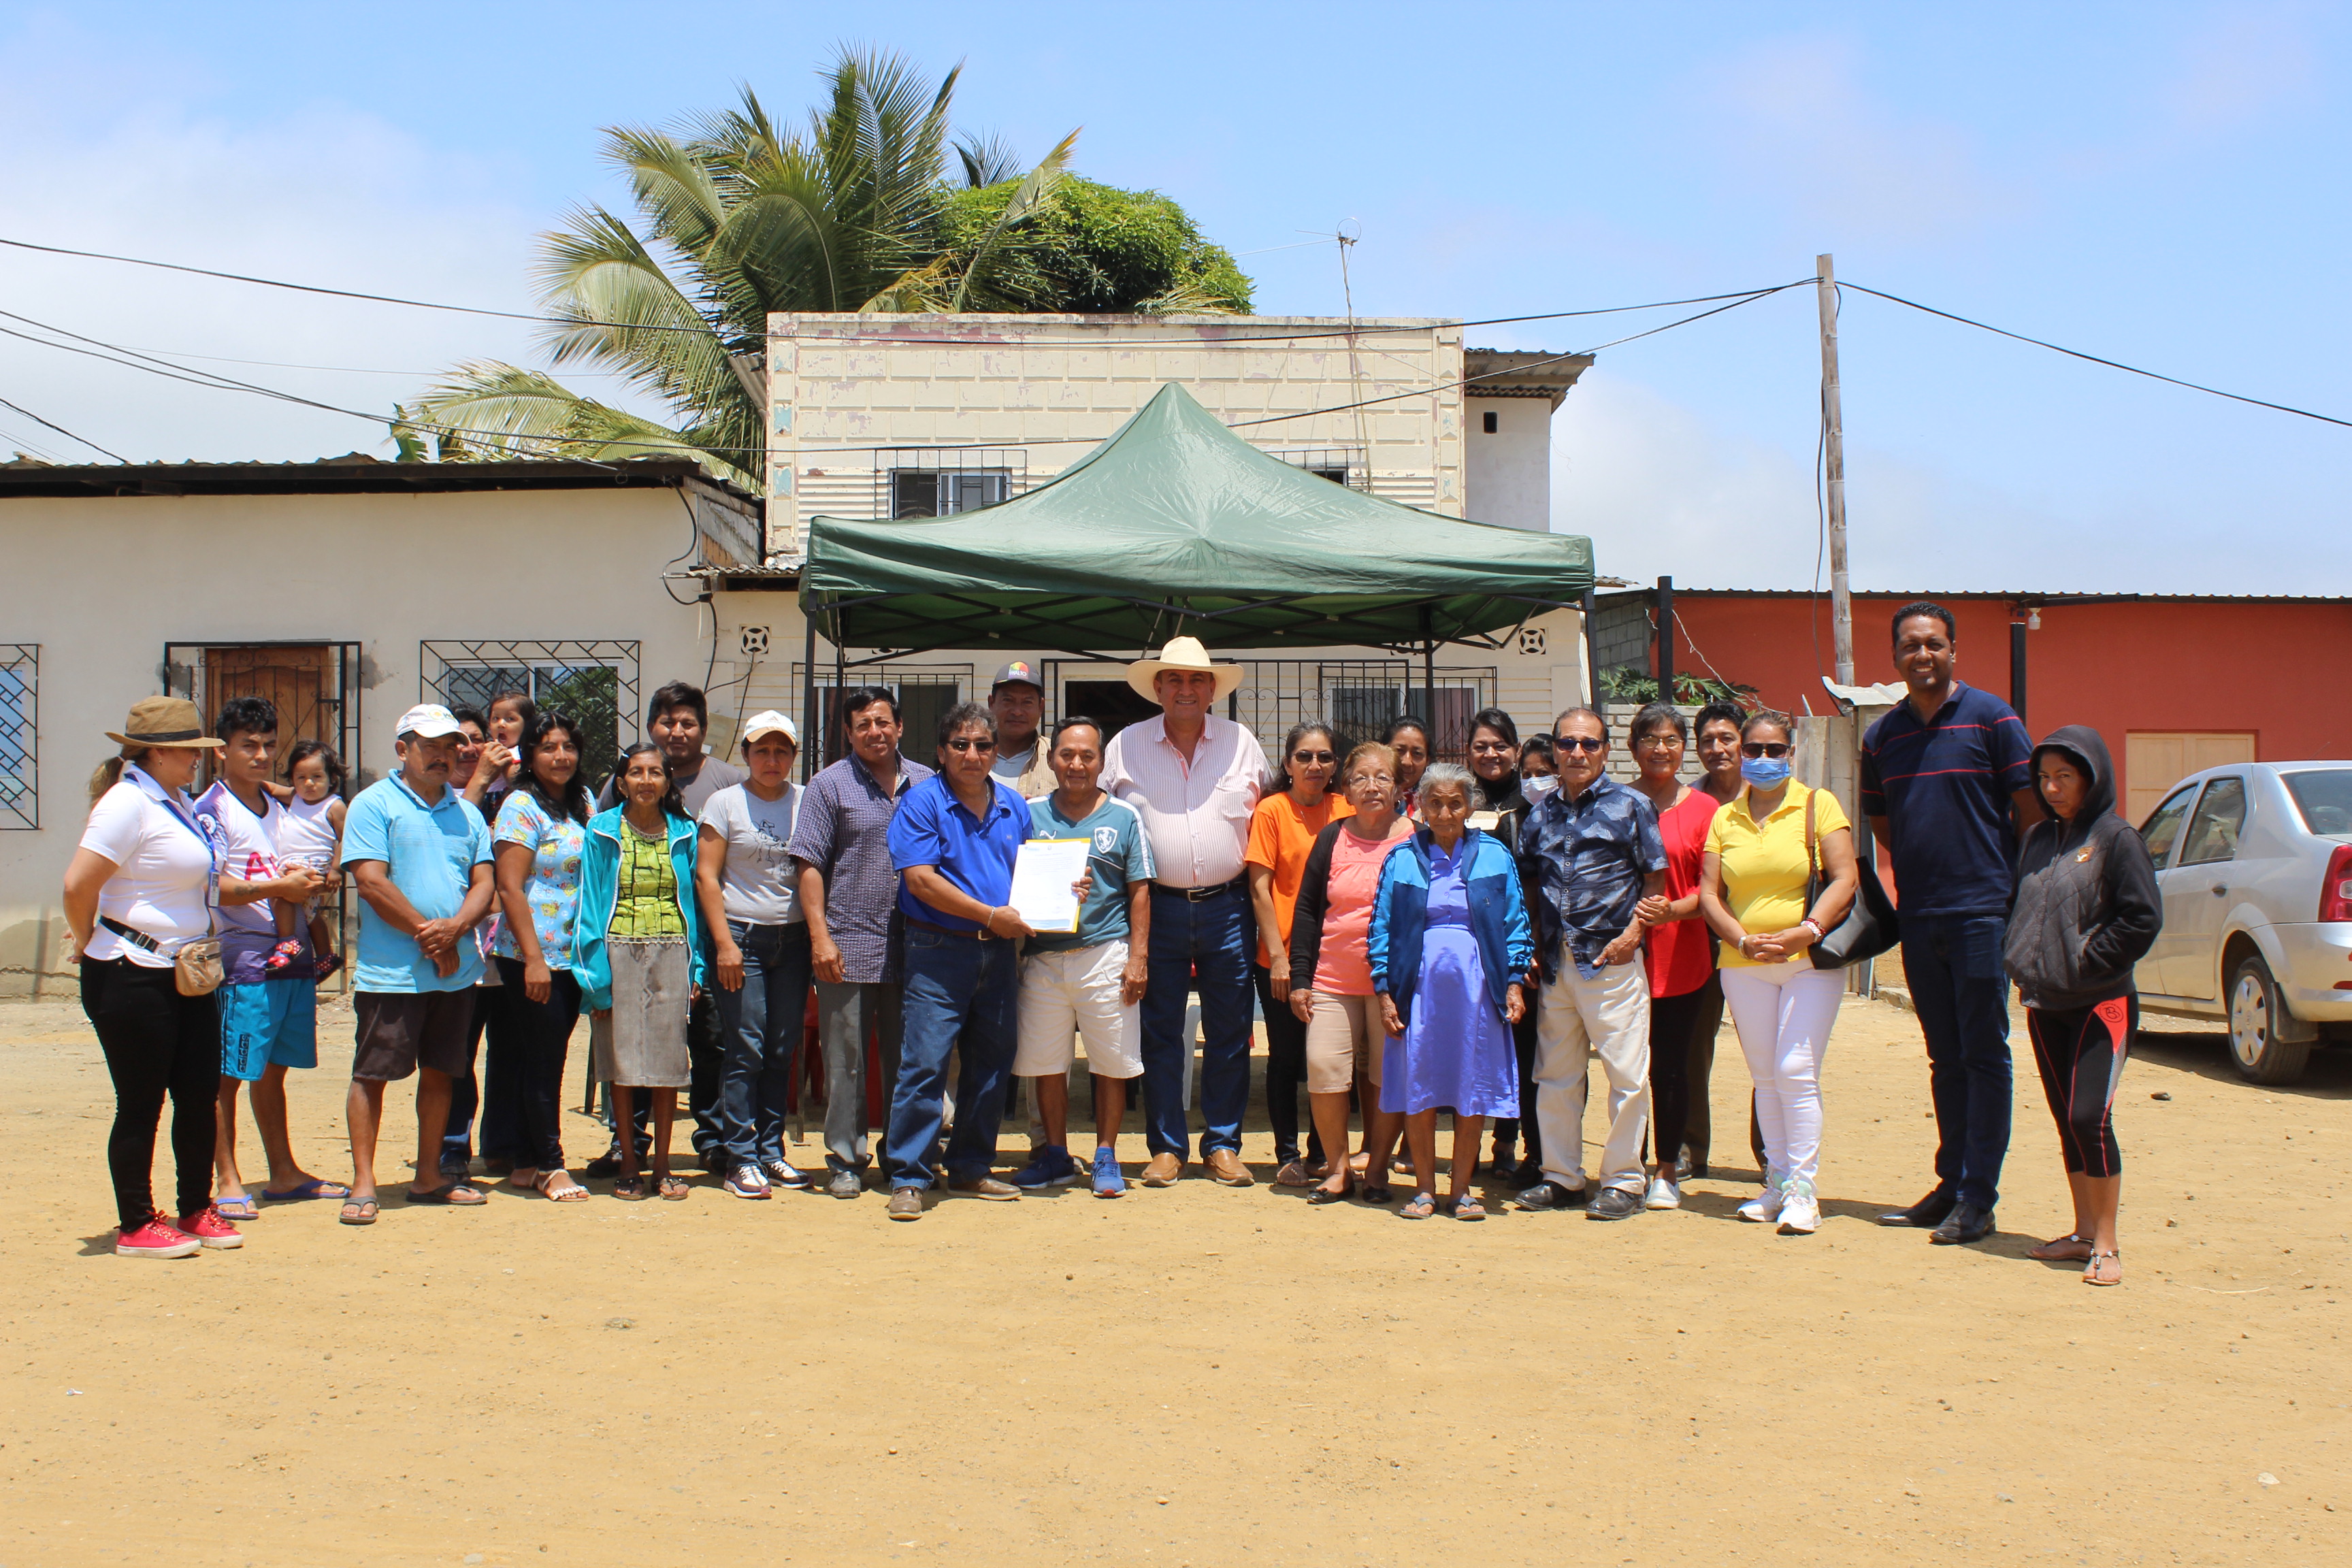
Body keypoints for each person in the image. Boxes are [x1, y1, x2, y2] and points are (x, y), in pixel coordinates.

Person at [1862, 602, 2040, 1245]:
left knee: (1984, 1053)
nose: (1923, 655)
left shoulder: (1993, 719)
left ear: (1953, 650)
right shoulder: (1882, 737)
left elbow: (2030, 813)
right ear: (1895, 657)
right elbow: (1885, 823)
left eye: (1934, 644)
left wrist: (2011, 892)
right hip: (1920, 915)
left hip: (1983, 913)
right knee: (1945, 1057)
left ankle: (1978, 1197)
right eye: (1910, 646)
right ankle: (1951, 1184)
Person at [61, 698, 242, 1258]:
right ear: (158, 753)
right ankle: (136, 1223)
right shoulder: (126, 803)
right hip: (131, 972)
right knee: (141, 1101)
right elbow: (77, 885)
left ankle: (195, 1207)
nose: (197, 760)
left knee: (198, 1093)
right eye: (190, 751)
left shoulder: (175, 801)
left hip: (185, 971)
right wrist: (88, 939)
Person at [1100, 636, 1273, 1190]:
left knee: (1230, 1031)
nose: (1186, 689)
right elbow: (1099, 818)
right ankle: (1166, 1147)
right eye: (1174, 678)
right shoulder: (1125, 746)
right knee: (1159, 1032)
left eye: (1197, 679)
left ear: (1213, 689)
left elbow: (1268, 816)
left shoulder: (1242, 743)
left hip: (1230, 906)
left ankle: (1222, 1144)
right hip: (1156, 908)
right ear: (1157, 688)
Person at [2004, 727, 2160, 1288]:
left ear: (2092, 778)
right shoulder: (2037, 837)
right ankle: (2082, 1233)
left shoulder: (2118, 839)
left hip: (2102, 1003)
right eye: (2044, 778)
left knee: (2089, 1118)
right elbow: (2021, 903)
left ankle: (2108, 1244)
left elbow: (2142, 917)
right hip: (2046, 1002)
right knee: (2065, 1119)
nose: (2052, 788)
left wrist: (2091, 960)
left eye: (2065, 777)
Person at [1697, 710, 1859, 1236]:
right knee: (1765, 1078)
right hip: (1743, 964)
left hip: (1808, 962)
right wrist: (1741, 939)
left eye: (1775, 750)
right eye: (1754, 750)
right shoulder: (1725, 818)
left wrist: (1806, 931)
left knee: (1795, 1071)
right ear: (1740, 754)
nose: (1764, 759)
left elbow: (1845, 878)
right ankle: (1778, 1183)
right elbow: (1709, 894)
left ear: (1790, 753)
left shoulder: (1817, 804)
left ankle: (1804, 1193)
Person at [338, 704, 497, 1224]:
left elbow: (484, 883)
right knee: (372, 1074)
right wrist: (431, 936)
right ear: (402, 749)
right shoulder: (373, 804)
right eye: (430, 746)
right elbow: (371, 881)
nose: (443, 756)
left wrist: (456, 929)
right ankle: (364, 1183)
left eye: (451, 747)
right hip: (392, 974)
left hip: (455, 973)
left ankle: (428, 1175)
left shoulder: (467, 814)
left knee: (442, 1073)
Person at [882, 704, 1034, 1219]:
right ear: (942, 751)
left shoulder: (1014, 806)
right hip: (938, 949)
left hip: (999, 952)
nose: (972, 755)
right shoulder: (921, 803)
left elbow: (1030, 873)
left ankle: (970, 1166)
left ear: (995, 752)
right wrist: (990, 915)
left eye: (983, 745)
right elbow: (920, 881)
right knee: (925, 1063)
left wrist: (1064, 888)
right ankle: (909, 1176)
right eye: (961, 745)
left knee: (992, 1064)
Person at [1516, 706, 1667, 1222]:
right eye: (1567, 743)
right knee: (1556, 1075)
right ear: (1555, 749)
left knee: (1627, 1075)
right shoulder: (1540, 815)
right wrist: (1530, 945)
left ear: (1606, 750)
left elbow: (1655, 878)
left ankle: (1625, 1182)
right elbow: (1530, 883)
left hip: (1611, 960)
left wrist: (1633, 935)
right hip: (1557, 964)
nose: (1577, 753)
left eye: (1589, 744)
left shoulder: (1632, 805)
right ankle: (1561, 1176)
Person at [191, 697, 340, 1218]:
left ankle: (283, 1172)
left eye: (269, 745)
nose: (261, 755)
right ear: (221, 751)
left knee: (274, 1071)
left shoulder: (282, 806)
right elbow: (209, 886)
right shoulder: (210, 810)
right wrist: (281, 887)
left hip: (292, 954)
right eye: (248, 745)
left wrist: (313, 881)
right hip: (244, 962)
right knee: (228, 1074)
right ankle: (227, 1178)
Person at [589, 681, 746, 1177]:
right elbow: (600, 880)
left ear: (704, 729)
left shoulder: (727, 782)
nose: (678, 731)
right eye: (667, 722)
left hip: (700, 941)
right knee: (629, 1047)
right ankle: (628, 1143)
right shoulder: (613, 798)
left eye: (688, 723)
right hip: (626, 945)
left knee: (709, 1044)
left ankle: (712, 1140)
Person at [789, 687, 934, 1198]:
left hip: (917, 945)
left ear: (900, 726)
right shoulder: (828, 786)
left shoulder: (928, 783)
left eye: (882, 722)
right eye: (862, 725)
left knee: (908, 1059)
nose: (875, 732)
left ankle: (902, 1157)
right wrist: (820, 938)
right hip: (847, 944)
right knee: (846, 1060)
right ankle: (846, 1160)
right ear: (849, 733)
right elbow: (809, 864)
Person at [1371, 762, 1532, 1222]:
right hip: (1417, 991)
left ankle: (1461, 1190)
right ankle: (1424, 1189)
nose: (1445, 814)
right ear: (1420, 806)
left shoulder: (1495, 855)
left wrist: (1514, 982)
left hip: (1477, 991)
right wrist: (1384, 992)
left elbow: (1515, 923)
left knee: (1471, 1086)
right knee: (1419, 1086)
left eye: (1455, 803)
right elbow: (1380, 928)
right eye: (1436, 803)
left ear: (1470, 806)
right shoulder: (1401, 858)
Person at [1010, 718, 1155, 1197]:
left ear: (1102, 762)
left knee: (1111, 1061)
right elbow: (1011, 877)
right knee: (1046, 1063)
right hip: (1042, 959)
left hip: (1105, 954)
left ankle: (1106, 1153)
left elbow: (1139, 891)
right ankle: (1055, 1154)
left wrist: (1138, 958)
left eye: (1087, 756)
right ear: (1052, 760)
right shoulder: (1027, 814)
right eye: (1067, 755)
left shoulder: (1124, 816)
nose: (1077, 764)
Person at [576, 742, 705, 1202]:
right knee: (623, 1065)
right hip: (616, 953)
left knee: (668, 1065)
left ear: (668, 782)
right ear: (621, 782)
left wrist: (697, 967)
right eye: (636, 773)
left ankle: (664, 1167)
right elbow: (589, 904)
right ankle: (629, 1163)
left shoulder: (685, 832)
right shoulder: (601, 831)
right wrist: (595, 979)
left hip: (673, 951)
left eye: (655, 773)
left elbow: (694, 904)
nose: (646, 781)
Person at [1287, 742, 1415, 1205]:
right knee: (1324, 1069)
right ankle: (1338, 1169)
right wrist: (1300, 978)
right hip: (1333, 978)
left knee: (1387, 1076)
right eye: (1360, 778)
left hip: (1395, 987)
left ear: (1399, 788)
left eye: (1382, 777)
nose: (1371, 787)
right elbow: (1307, 909)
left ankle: (1377, 1168)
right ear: (1346, 789)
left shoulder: (1418, 840)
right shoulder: (1332, 837)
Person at [696, 711, 813, 1200]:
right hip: (742, 939)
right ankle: (739, 1157)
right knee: (746, 1047)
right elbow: (707, 876)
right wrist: (724, 943)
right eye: (762, 750)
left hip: (794, 940)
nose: (772, 760)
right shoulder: (724, 803)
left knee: (782, 1048)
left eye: (782, 751)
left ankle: (770, 1150)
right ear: (745, 754)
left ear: (794, 756)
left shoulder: (807, 801)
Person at [489, 710, 594, 1203]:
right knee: (545, 1060)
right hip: (532, 955)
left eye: (568, 746)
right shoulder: (520, 805)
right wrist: (533, 959)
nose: (561, 756)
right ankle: (551, 1165)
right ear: (530, 755)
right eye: (548, 746)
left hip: (574, 955)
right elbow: (510, 887)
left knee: (543, 1056)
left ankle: (527, 1162)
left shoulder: (583, 801)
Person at [1623, 701, 1722, 1211]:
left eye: (1671, 740)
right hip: (1623, 956)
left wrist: (1672, 910)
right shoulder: (1615, 802)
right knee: (1627, 1069)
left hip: (1683, 953)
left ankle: (1666, 1168)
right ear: (1632, 746)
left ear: (1684, 748)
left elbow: (1714, 888)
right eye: (1650, 739)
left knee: (1673, 1066)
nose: (1660, 749)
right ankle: (1627, 1167)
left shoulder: (1707, 810)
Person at [1245, 721, 1352, 1186]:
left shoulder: (1346, 809)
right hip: (1282, 958)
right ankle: (1287, 1153)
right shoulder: (1272, 811)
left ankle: (1320, 1152)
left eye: (1324, 757)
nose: (1314, 765)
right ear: (1287, 763)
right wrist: (1278, 957)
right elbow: (1260, 888)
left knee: (1327, 1061)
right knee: (1286, 1058)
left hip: (1335, 958)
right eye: (1304, 756)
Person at [1465, 707, 1544, 1184]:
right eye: (1481, 746)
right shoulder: (1461, 798)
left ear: (1515, 750)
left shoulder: (1533, 800)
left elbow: (1537, 883)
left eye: (1500, 745)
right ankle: (1470, 1148)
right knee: (1476, 1048)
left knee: (1525, 1051)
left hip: (1521, 945)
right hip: (1469, 946)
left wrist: (1527, 947)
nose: (1491, 754)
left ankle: (1521, 1147)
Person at [1676, 700, 1752, 1180]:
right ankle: (1689, 1147)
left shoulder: (1768, 797)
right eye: (1707, 740)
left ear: (1743, 742)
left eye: (1727, 738)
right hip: (1700, 941)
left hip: (1759, 944)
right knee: (1691, 1048)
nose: (1717, 748)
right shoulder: (1687, 801)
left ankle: (1773, 1154)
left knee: (1767, 1051)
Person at [439, 706, 508, 1179]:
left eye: (475, 739)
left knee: (507, 1051)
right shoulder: (435, 799)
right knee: (456, 1053)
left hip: (507, 944)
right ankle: (451, 1148)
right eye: (456, 741)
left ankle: (502, 1145)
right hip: (458, 943)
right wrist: (479, 782)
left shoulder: (512, 794)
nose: (467, 749)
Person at [277, 740, 347, 981]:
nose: (309, 783)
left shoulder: (334, 806)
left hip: (312, 865)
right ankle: (326, 956)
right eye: (301, 777)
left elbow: (346, 839)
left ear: (331, 778)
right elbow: (268, 788)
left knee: (283, 896)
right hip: (292, 863)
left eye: (317, 777)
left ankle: (287, 944)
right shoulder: (295, 797)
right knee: (310, 915)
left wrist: (336, 870)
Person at [985, 662, 1058, 798]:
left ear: (1041, 706)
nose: (1017, 712)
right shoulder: (971, 756)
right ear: (991, 703)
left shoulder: (1058, 758)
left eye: (1027, 702)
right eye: (1008, 700)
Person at [1387, 716, 1431, 819]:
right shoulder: (1363, 797)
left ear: (1427, 761)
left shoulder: (1434, 804)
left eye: (1417, 753)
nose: (1407, 762)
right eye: (1399, 751)